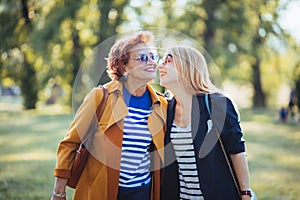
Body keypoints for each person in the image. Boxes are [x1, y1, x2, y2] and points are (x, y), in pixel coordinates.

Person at [51, 31, 167, 200]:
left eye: (153, 56)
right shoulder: (100, 96)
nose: (152, 62)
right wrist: (58, 193)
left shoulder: (161, 104)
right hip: (102, 191)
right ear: (124, 67)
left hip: (143, 192)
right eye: (143, 57)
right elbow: (70, 144)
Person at [158, 46, 254, 200]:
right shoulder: (165, 108)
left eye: (168, 60)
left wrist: (246, 193)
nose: (159, 65)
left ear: (187, 66)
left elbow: (236, 151)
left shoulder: (219, 103)